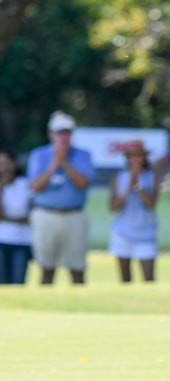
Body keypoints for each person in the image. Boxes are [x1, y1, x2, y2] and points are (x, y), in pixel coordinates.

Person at [27, 111, 95, 285]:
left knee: (77, 268)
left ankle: (80, 308)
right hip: (45, 215)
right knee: (46, 268)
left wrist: (64, 162)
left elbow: (83, 184)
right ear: (51, 134)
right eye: (59, 132)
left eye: (67, 132)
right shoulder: (39, 154)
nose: (64, 136)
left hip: (74, 215)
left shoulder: (82, 155)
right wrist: (54, 164)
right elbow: (35, 186)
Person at [108, 140, 159, 283]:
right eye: (132, 156)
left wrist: (137, 186)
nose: (136, 159)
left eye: (139, 156)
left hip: (146, 232)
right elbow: (113, 207)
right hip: (123, 232)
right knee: (125, 279)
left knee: (149, 279)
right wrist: (128, 188)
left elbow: (151, 205)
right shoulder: (118, 178)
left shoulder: (152, 177)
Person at [0, 148, 32, 284]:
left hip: (21, 240)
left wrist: (9, 219)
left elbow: (30, 216)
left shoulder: (25, 184)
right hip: (1, 239)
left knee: (18, 281)